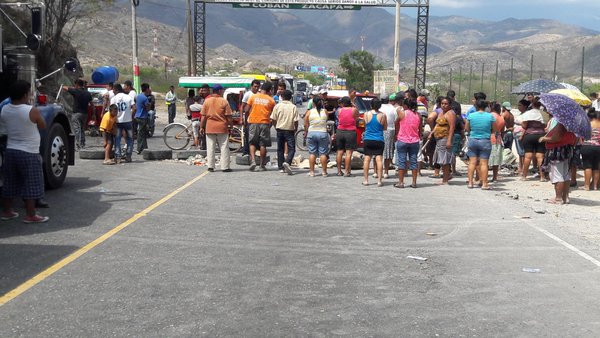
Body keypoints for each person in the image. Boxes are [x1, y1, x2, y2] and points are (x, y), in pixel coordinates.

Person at [0, 80, 49, 223]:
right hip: (29, 152)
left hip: (11, 150)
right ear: (24, 95)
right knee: (31, 183)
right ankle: (31, 214)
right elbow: (42, 124)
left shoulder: (5, 109)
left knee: (9, 182)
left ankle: (7, 211)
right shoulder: (30, 110)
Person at [539, 117, 577, 204]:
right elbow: (575, 140)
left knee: (557, 174)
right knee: (565, 174)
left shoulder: (562, 122)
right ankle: (565, 197)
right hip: (568, 149)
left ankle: (558, 198)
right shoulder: (574, 123)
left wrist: (544, 139)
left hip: (557, 150)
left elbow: (556, 138)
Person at [200, 84, 233, 172]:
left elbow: (203, 116)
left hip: (210, 127)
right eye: (222, 90)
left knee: (210, 147)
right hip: (222, 127)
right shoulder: (224, 101)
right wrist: (231, 125)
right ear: (219, 91)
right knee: (224, 147)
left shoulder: (207, 101)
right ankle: (225, 167)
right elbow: (228, 116)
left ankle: (210, 166)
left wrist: (201, 127)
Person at [465, 100, 496, 189]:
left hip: (473, 140)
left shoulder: (471, 116)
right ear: (486, 107)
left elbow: (467, 128)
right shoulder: (490, 116)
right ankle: (484, 184)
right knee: (484, 163)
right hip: (485, 141)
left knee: (472, 162)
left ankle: (470, 183)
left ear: (476, 106)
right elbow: (494, 129)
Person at [247, 81, 276, 171]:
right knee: (263, 144)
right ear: (269, 90)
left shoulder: (253, 97)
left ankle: (253, 161)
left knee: (252, 142)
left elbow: (247, 109)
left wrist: (246, 120)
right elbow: (273, 113)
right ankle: (262, 165)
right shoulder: (271, 100)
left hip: (253, 122)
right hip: (265, 123)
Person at [516, 97, 546, 181]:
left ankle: (524, 176)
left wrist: (522, 124)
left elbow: (524, 125)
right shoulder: (543, 114)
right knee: (540, 156)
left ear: (532, 104)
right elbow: (545, 126)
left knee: (528, 156)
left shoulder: (528, 113)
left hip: (529, 135)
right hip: (540, 135)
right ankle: (542, 176)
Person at [395, 98, 422, 188]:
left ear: (406, 105)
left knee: (402, 161)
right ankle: (414, 182)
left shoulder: (402, 113)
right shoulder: (418, 115)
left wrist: (397, 133)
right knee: (413, 161)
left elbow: (396, 122)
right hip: (414, 141)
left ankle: (401, 182)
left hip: (402, 140)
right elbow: (420, 130)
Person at [271, 89, 298, 175]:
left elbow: (273, 119)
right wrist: (295, 128)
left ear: (282, 97)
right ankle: (288, 161)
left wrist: (275, 126)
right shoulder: (293, 107)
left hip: (279, 129)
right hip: (290, 130)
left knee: (280, 148)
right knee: (292, 148)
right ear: (290, 98)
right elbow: (296, 120)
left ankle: (280, 167)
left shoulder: (277, 106)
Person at [430, 97, 456, 185]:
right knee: (441, 159)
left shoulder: (450, 114)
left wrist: (449, 140)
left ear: (450, 105)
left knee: (445, 161)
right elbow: (437, 124)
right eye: (442, 104)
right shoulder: (441, 112)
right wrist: (432, 133)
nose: (444, 105)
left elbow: (452, 127)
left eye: (446, 104)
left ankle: (445, 180)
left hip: (445, 139)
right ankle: (446, 176)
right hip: (439, 139)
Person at [362, 98, 387, 187]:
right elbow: (385, 128)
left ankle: (366, 180)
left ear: (371, 105)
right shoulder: (383, 115)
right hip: (379, 140)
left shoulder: (366, 114)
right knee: (379, 159)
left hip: (368, 139)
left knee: (367, 159)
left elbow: (365, 126)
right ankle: (379, 181)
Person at [62, 79, 92, 150]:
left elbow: (65, 88)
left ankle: (78, 145)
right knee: (82, 129)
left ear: (77, 85)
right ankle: (82, 143)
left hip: (76, 114)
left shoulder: (75, 91)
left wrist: (63, 86)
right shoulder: (88, 93)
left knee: (77, 129)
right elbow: (92, 104)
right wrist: (93, 114)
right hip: (85, 114)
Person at [304, 97, 330, 177]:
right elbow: (326, 121)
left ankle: (312, 172)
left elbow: (306, 124)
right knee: (323, 153)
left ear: (313, 104)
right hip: (323, 133)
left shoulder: (309, 112)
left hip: (312, 133)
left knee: (312, 153)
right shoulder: (325, 111)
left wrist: (306, 132)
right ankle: (324, 172)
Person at [334, 96, 359, 177]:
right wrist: (353, 105)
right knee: (348, 153)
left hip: (340, 131)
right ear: (350, 102)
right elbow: (357, 117)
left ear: (343, 103)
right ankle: (347, 171)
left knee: (339, 152)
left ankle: (339, 171)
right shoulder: (353, 109)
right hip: (350, 132)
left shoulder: (339, 110)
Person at [110, 83, 134, 163]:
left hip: (118, 122)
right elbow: (134, 108)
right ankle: (128, 156)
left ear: (116, 89)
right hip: (128, 121)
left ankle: (118, 157)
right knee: (130, 139)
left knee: (117, 139)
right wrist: (131, 116)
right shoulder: (128, 97)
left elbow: (111, 111)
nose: (112, 91)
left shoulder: (114, 99)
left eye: (113, 89)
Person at [580, 109, 600, 190]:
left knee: (587, 166)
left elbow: (581, 137)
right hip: (598, 147)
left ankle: (587, 186)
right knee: (596, 167)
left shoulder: (587, 125)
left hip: (587, 146)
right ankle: (595, 186)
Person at [240, 80, 261, 156]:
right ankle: (246, 152)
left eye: (258, 87)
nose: (256, 88)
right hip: (248, 119)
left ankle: (256, 152)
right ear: (251, 86)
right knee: (247, 136)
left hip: (258, 120)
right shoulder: (248, 94)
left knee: (257, 137)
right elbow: (242, 107)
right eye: (255, 86)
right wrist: (241, 118)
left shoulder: (260, 95)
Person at [380, 96, 397, 178]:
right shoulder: (393, 108)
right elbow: (395, 120)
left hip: (379, 130)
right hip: (390, 130)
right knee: (388, 151)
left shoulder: (378, 108)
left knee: (378, 152)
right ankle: (386, 172)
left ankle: (376, 171)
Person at [488, 102, 505, 182]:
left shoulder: (489, 116)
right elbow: (502, 131)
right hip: (498, 139)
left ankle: (481, 177)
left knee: (485, 159)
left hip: (489, 138)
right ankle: (495, 177)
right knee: (496, 160)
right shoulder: (501, 118)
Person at [135, 83, 151, 155]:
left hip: (137, 116)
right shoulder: (145, 98)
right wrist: (149, 105)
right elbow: (148, 108)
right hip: (143, 117)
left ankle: (145, 147)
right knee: (141, 134)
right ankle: (139, 148)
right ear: (147, 89)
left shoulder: (138, 96)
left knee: (143, 133)